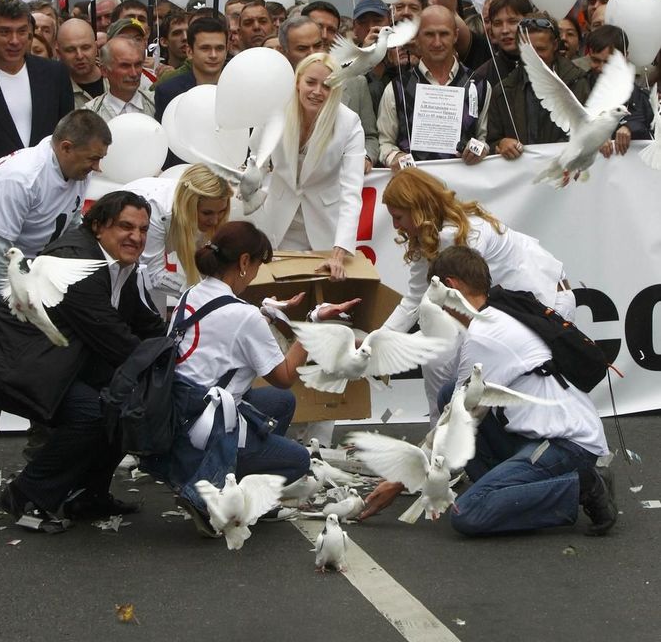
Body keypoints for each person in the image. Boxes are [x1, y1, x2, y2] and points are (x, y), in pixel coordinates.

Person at [363, 246, 615, 537]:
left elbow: (455, 423)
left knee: (468, 514)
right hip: (544, 434)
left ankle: (585, 485)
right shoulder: (499, 311)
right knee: (449, 394)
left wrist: (398, 480)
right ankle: (512, 495)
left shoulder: (485, 335)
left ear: (450, 286)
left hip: (569, 445)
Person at [143, 221, 357, 536]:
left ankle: (243, 490)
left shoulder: (192, 293)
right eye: (256, 265)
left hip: (175, 415)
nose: (255, 273)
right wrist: (314, 329)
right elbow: (284, 375)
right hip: (205, 430)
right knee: (297, 460)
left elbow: (224, 330)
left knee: (281, 404)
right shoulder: (243, 315)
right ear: (244, 262)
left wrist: (266, 313)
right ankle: (211, 489)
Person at [0, 192, 165, 529]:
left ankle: (85, 496)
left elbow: (144, 321)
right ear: (98, 226)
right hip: (22, 365)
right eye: (126, 226)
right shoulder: (75, 263)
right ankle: (25, 496)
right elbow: (112, 336)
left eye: (142, 230)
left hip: (60, 359)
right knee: (95, 412)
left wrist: (175, 348)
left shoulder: (118, 264)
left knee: (119, 403)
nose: (136, 237)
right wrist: (167, 368)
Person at [0, 110, 112, 498]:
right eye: (92, 158)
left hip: (28, 281)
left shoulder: (73, 171)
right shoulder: (21, 179)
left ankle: (40, 461)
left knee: (53, 367)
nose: (97, 166)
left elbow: (66, 229)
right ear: (65, 147)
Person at [380, 167, 575, 422]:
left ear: (418, 209)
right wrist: (381, 338)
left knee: (531, 389)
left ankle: (445, 444)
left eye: (398, 217)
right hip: (523, 305)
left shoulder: (456, 234)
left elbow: (459, 299)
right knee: (440, 357)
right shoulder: (433, 233)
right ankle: (445, 444)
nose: (395, 226)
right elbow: (416, 298)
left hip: (547, 302)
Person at [254, 52, 365, 281]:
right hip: (277, 221)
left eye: (326, 85)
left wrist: (340, 248)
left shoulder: (349, 122)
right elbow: (256, 163)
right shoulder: (275, 110)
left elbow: (352, 191)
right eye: (310, 82)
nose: (317, 92)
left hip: (324, 226)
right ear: (297, 82)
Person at [377, 6, 491, 168]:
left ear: (456, 35)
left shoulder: (479, 85)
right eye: (429, 34)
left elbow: (485, 139)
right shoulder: (396, 88)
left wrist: (479, 149)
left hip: (465, 186)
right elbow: (385, 142)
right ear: (417, 37)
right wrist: (395, 156)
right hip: (415, 186)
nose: (437, 42)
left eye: (444, 34)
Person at [0, 0, 74, 172]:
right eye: (5, 32)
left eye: (21, 31)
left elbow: (68, 130)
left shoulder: (55, 74)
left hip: (49, 184)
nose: (14, 41)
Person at [487, 13, 591, 159]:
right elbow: (490, 143)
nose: (534, 58)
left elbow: (589, 133)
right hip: (521, 178)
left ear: (555, 45)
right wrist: (501, 144)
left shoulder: (577, 83)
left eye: (540, 50)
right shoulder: (503, 92)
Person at [125, 164, 233, 300]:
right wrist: (201, 294)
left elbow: (202, 257)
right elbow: (153, 274)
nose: (215, 221)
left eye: (222, 211)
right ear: (189, 205)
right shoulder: (155, 209)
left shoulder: (197, 208)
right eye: (207, 213)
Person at [294, 4, 379, 170]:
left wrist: (366, 158)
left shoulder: (356, 82)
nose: (324, 35)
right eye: (318, 27)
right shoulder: (284, 78)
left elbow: (370, 136)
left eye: (331, 30)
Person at [586, 25, 653, 156]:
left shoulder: (643, 98)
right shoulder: (579, 88)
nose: (601, 68)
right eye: (595, 60)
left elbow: (655, 140)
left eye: (608, 62)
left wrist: (631, 127)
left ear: (625, 57)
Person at [154, 18, 228, 123]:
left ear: (226, 50)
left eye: (219, 48)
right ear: (189, 51)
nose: (213, 55)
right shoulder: (168, 92)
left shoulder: (238, 90)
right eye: (205, 48)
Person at [86, 37, 155, 121]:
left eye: (137, 65)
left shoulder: (158, 103)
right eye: (125, 66)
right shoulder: (89, 116)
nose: (134, 73)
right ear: (104, 71)